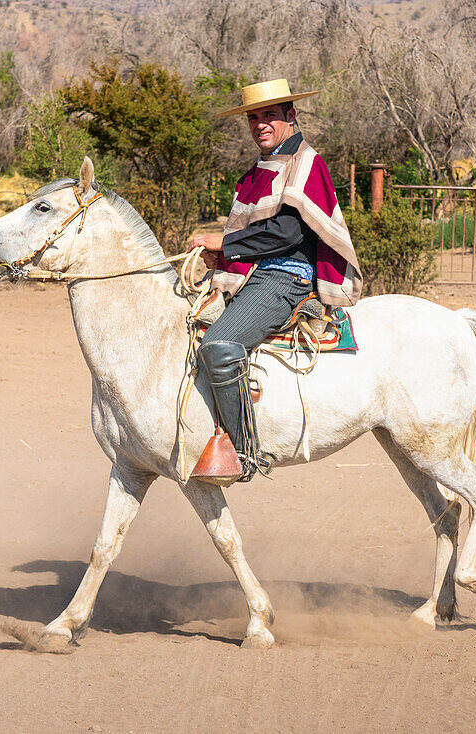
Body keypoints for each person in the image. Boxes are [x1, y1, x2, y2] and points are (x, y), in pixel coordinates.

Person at [188, 78, 363, 485]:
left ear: (291, 117)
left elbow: (287, 233)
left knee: (217, 345)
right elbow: (255, 237)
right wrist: (226, 254)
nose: (260, 124)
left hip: (286, 277)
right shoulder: (260, 171)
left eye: (270, 115)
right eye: (254, 117)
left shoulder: (306, 163)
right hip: (256, 273)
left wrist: (228, 244)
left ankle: (247, 453)